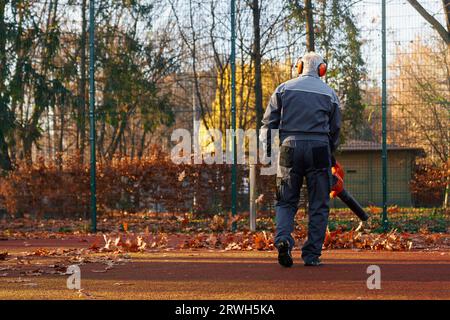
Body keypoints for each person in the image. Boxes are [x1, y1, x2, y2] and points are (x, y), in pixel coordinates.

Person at [260, 51, 341, 267]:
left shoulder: (283, 89)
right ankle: (312, 255)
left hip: (290, 148)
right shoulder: (330, 94)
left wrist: (267, 153)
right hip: (319, 149)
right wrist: (330, 157)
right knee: (319, 204)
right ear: (322, 70)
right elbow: (335, 130)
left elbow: (268, 125)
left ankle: (284, 240)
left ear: (299, 67)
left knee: (286, 200)